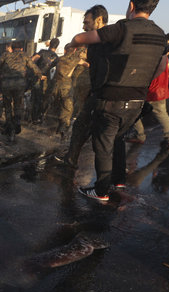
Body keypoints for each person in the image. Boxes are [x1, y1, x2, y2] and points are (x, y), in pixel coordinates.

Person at [67, 0, 167, 202]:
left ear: (131, 5)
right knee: (118, 140)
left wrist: (73, 44)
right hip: (137, 102)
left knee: (102, 145)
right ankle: (118, 181)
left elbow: (80, 37)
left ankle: (101, 190)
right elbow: (163, 65)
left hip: (112, 99)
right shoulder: (160, 34)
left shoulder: (122, 28)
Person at [54, 4, 108, 169]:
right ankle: (71, 160)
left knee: (101, 134)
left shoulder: (108, 41)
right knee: (82, 126)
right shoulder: (94, 45)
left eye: (87, 23)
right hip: (92, 94)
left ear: (98, 21)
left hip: (102, 94)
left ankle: (106, 180)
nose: (84, 27)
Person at [0, 41, 43, 141]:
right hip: (19, 85)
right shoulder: (25, 56)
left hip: (7, 85)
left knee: (8, 107)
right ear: (21, 49)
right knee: (18, 105)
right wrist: (40, 75)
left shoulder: (5, 55)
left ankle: (10, 130)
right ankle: (17, 122)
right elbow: (33, 67)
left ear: (12, 49)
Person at [128, 56, 169, 148]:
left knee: (134, 112)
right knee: (162, 115)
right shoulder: (164, 56)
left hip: (147, 90)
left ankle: (140, 136)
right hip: (161, 90)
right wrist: (163, 80)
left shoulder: (146, 55)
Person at [43, 46, 88, 137]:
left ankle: (50, 129)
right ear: (74, 50)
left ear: (65, 50)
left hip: (55, 85)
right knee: (67, 108)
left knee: (54, 105)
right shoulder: (76, 59)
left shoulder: (59, 59)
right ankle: (63, 128)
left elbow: (49, 65)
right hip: (66, 86)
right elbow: (87, 65)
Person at [31, 38, 60, 124]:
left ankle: (34, 118)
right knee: (43, 98)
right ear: (57, 46)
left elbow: (32, 60)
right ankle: (40, 116)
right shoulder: (57, 58)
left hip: (37, 77)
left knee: (35, 98)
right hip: (46, 80)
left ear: (49, 44)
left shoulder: (42, 52)